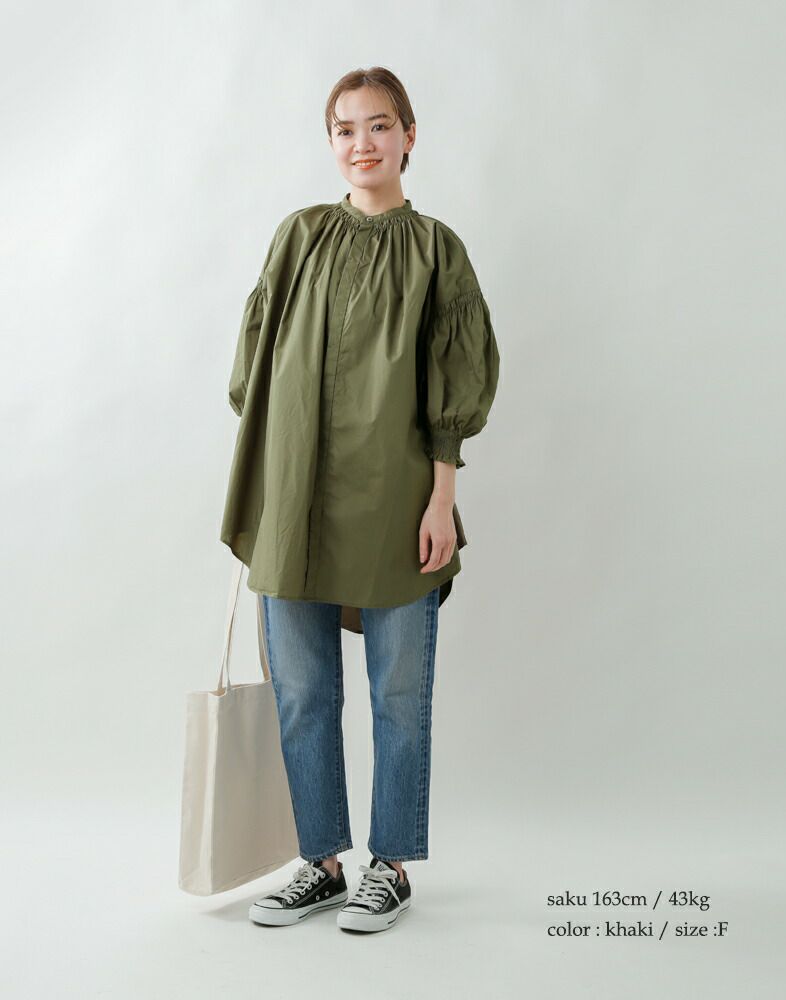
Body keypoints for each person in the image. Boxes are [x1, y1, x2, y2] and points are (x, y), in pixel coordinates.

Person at [220, 66, 500, 933]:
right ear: (331, 142)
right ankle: (322, 863)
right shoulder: (299, 236)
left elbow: (457, 380)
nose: (362, 143)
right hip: (294, 496)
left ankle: (392, 868)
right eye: (345, 129)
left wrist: (440, 501)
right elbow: (253, 368)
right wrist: (270, 475)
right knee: (303, 692)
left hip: (397, 498)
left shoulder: (437, 252)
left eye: (379, 125)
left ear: (409, 136)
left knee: (398, 695)